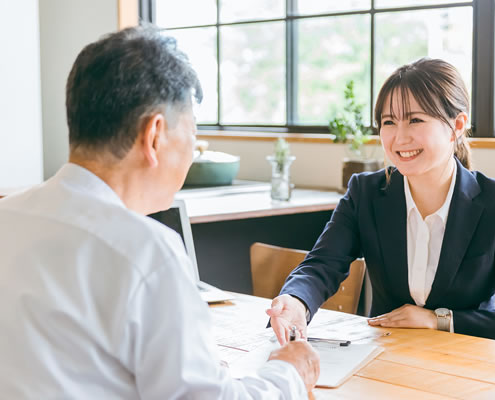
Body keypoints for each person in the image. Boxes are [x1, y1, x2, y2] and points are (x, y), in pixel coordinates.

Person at [0, 25, 318, 399]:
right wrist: (289, 372)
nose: (193, 146)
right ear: (154, 135)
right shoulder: (146, 251)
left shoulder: (9, 216)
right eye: (193, 130)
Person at [267, 58, 495, 348]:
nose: (400, 137)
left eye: (415, 120)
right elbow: (322, 265)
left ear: (457, 125)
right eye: (389, 122)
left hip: (467, 369)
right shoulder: (365, 193)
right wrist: (296, 301)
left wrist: (438, 319)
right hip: (383, 361)